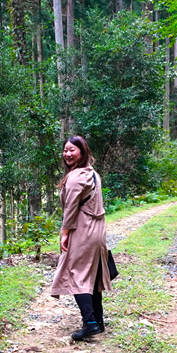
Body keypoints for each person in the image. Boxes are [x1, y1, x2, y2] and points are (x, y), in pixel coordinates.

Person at [50, 136, 112, 340]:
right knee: (91, 275)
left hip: (83, 229)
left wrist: (65, 233)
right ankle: (98, 322)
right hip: (97, 230)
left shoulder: (76, 177)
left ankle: (90, 323)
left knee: (76, 273)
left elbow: (70, 208)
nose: (67, 154)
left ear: (82, 152)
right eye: (65, 150)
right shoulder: (92, 173)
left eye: (72, 150)